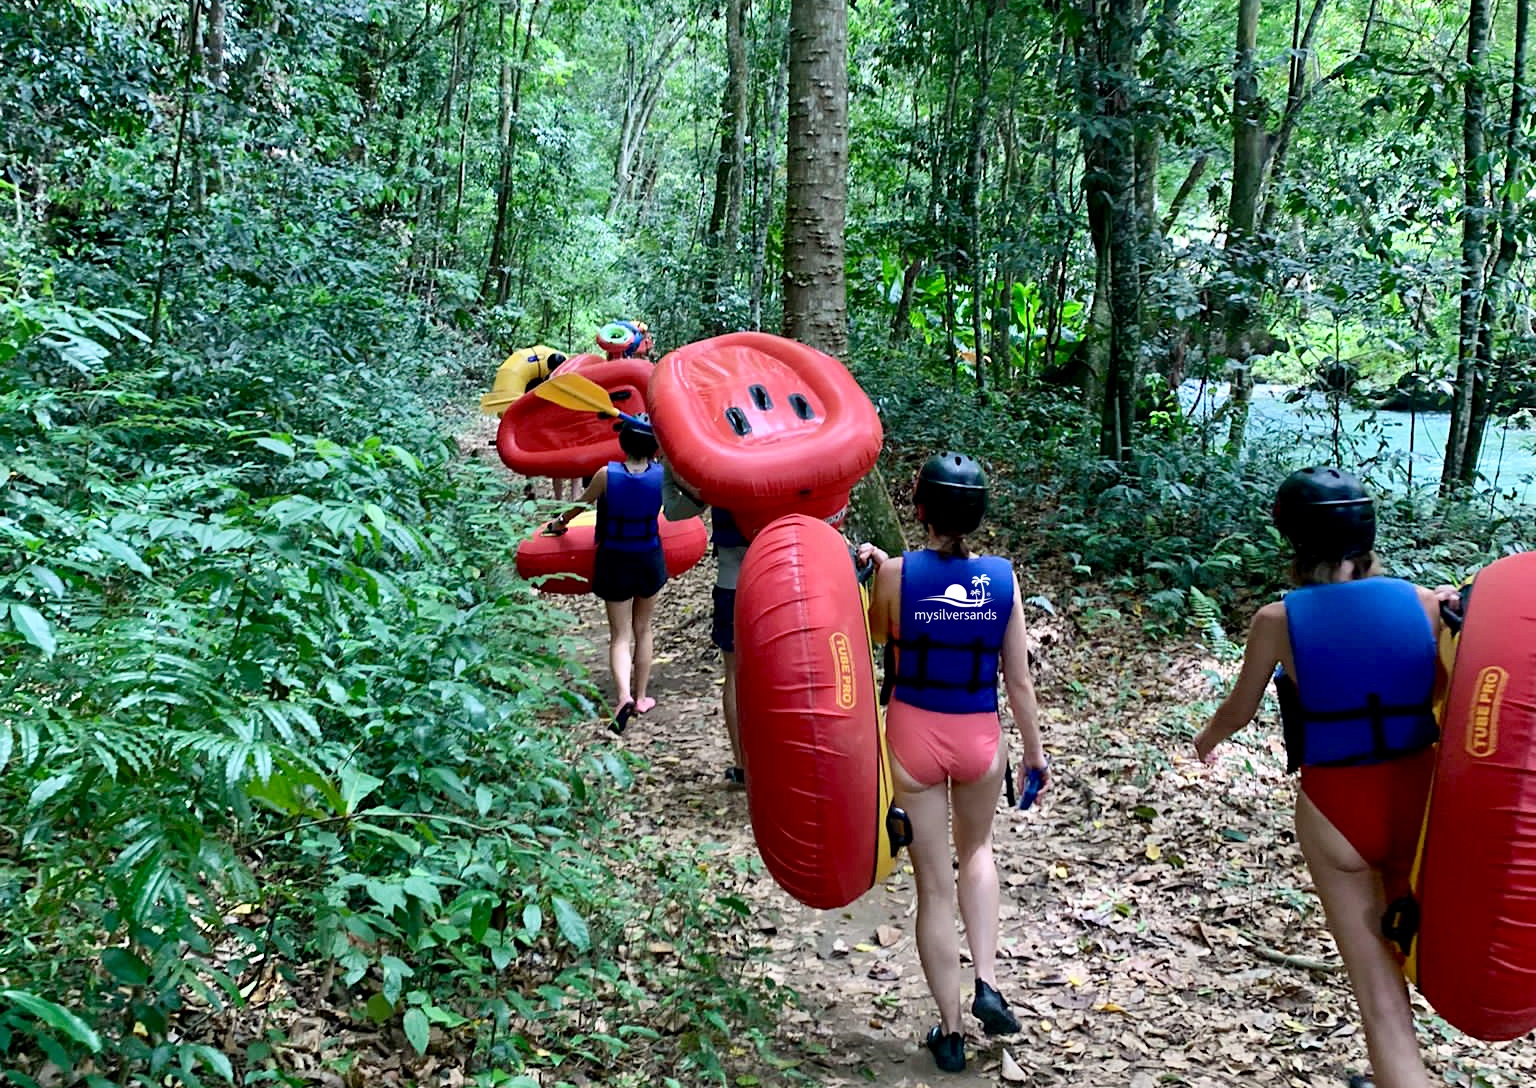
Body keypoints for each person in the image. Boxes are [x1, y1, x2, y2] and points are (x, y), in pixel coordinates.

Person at [1193, 467, 1448, 1088]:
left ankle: (1399, 1073)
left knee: (1375, 985)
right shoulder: (1427, 604)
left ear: (1294, 540)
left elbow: (1241, 707)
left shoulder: (1279, 620)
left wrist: (1207, 740)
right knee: (1405, 947)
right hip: (1421, 801)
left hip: (1338, 807)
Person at [857, 452, 1049, 1075]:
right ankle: (987, 981)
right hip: (979, 738)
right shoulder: (1002, 579)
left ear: (919, 510)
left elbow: (880, 638)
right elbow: (1018, 682)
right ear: (977, 515)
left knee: (934, 888)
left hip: (914, 732)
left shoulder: (895, 576)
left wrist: (879, 571)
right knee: (981, 852)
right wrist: (1035, 754)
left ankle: (952, 1030)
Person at [551, 414, 666, 733]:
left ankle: (623, 696)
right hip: (649, 557)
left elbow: (579, 506)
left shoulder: (606, 474)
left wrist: (558, 523)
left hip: (614, 558)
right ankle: (642, 697)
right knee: (643, 629)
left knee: (620, 634)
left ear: (623, 442)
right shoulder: (662, 475)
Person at [661, 465, 750, 785]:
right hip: (786, 578)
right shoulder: (789, 451)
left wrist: (671, 468)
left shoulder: (718, 458)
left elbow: (676, 510)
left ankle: (743, 767)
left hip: (734, 580)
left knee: (736, 674)